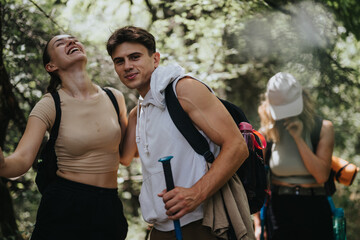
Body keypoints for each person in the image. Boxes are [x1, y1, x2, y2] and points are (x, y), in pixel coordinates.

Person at [106, 26, 254, 239]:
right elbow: (125, 157)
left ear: (155, 59)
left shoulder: (184, 89)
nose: (127, 66)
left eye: (135, 57)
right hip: (160, 229)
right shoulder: (139, 113)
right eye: (119, 61)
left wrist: (196, 194)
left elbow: (238, 147)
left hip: (203, 224)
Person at [0, 34, 128, 240]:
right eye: (61, 43)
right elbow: (22, 160)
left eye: (74, 39)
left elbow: (125, 156)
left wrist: (142, 109)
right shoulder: (49, 104)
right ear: (51, 66)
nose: (71, 42)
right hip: (65, 207)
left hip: (109, 208)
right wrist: (3, 164)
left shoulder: (115, 97)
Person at [253, 72, 334, 240]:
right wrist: (258, 224)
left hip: (315, 207)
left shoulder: (323, 128)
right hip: (279, 209)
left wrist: (298, 139)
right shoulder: (266, 133)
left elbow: (321, 175)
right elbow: (257, 181)